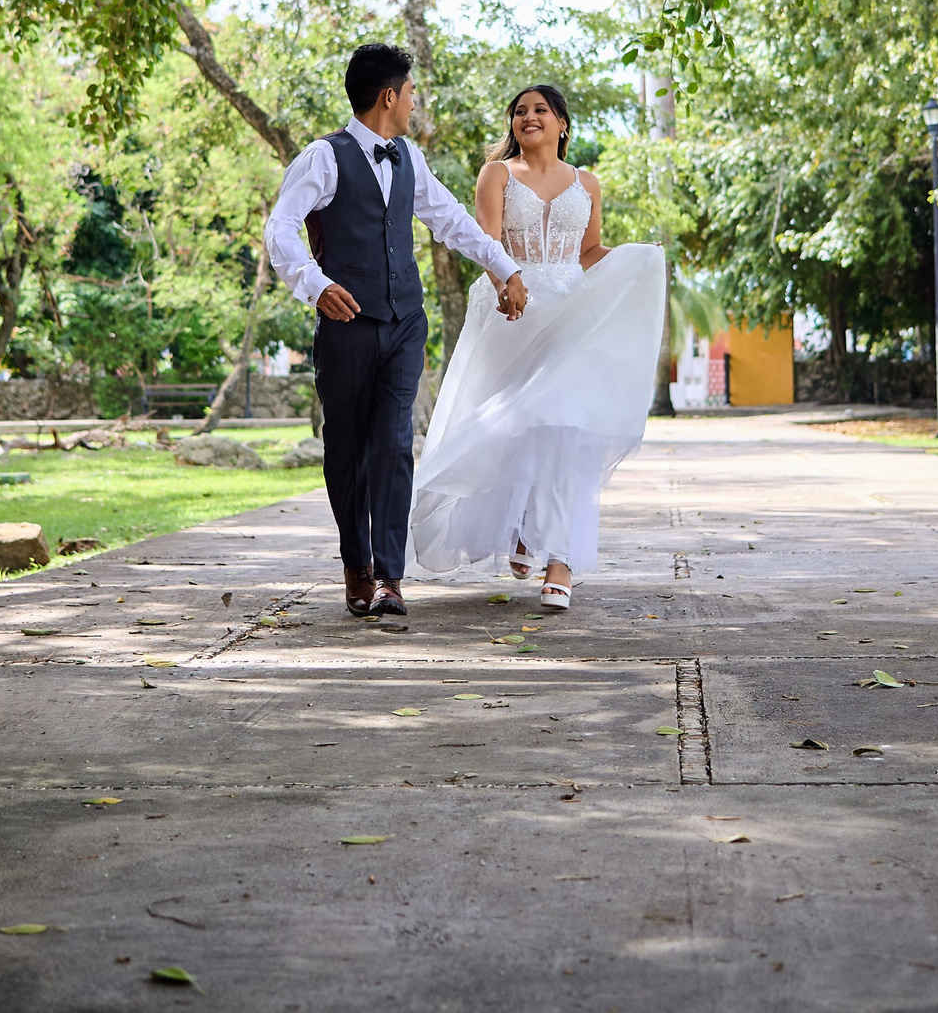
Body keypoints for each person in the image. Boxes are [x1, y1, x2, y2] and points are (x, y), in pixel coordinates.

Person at [264, 44, 530, 618]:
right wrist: (314, 285)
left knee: (394, 444)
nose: (414, 102)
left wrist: (505, 268)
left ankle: (389, 576)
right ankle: (354, 564)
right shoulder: (323, 158)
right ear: (389, 96)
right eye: (411, 93)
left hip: (405, 319)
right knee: (347, 449)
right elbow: (280, 227)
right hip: (347, 323)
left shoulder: (409, 157)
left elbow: (451, 220)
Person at [410, 84, 665, 610]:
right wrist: (506, 283)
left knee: (567, 428)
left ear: (562, 124)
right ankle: (523, 523)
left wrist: (635, 258)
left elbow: (590, 250)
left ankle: (562, 561)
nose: (529, 117)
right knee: (513, 426)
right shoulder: (497, 174)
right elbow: (488, 242)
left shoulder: (587, 182)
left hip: (572, 312)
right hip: (513, 309)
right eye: (520, 112)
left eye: (540, 110)